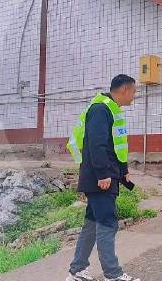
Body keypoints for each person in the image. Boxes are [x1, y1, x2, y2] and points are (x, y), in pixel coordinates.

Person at [66, 75, 140, 281]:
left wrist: (123, 169)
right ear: (124, 89)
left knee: (92, 222)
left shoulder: (112, 109)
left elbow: (116, 145)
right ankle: (112, 274)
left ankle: (77, 270)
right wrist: (103, 174)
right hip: (99, 178)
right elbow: (96, 146)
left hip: (106, 176)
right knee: (108, 223)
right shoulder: (100, 109)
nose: (134, 96)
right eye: (134, 91)